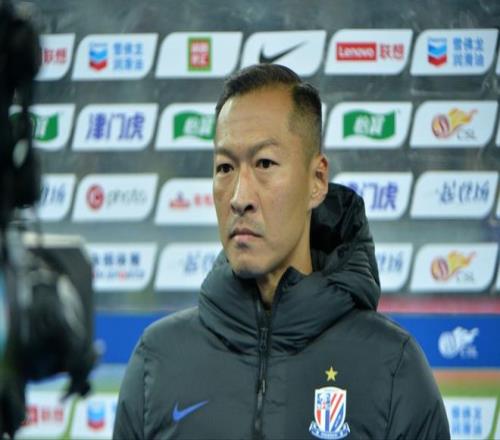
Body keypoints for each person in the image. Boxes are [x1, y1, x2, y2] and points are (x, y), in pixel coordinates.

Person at [113, 64, 450, 439]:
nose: (239, 197)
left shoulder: (393, 367)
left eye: (265, 163)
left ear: (317, 180)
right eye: (225, 167)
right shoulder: (156, 361)